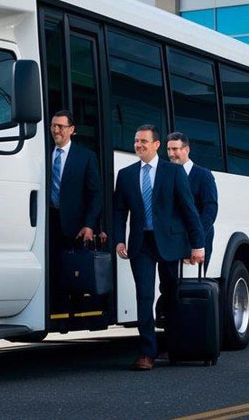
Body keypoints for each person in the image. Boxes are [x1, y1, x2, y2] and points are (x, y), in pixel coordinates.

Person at [113, 125, 205, 370]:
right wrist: (119, 239)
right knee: (144, 295)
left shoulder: (173, 172)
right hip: (141, 243)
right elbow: (119, 211)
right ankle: (147, 352)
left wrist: (198, 245)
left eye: (144, 141)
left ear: (155, 145)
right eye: (136, 141)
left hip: (169, 243)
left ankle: (175, 346)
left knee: (170, 295)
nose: (139, 145)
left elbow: (189, 210)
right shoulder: (126, 175)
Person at [47, 110, 103, 311]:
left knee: (73, 269)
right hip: (47, 220)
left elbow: (95, 194)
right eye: (53, 126)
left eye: (60, 126)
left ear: (71, 130)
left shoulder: (85, 157)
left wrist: (90, 225)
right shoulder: (43, 153)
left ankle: (74, 310)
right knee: (52, 268)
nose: (55, 130)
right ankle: (54, 307)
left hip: (75, 224)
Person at [166, 132, 218, 274]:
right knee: (169, 288)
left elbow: (210, 210)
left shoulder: (203, 175)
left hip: (196, 244)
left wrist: (196, 241)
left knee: (193, 289)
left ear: (187, 150)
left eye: (175, 149)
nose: (171, 154)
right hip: (171, 242)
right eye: (168, 149)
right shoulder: (166, 175)